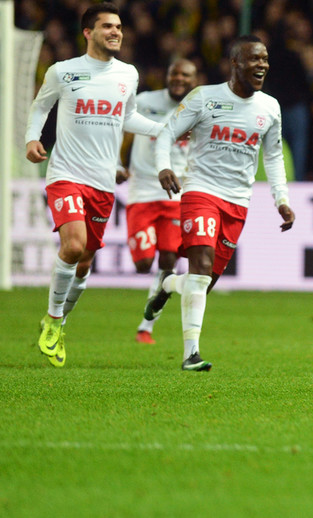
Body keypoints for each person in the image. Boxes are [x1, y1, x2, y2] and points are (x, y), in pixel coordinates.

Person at [145, 35, 296, 371]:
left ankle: (167, 283)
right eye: (254, 59)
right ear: (234, 63)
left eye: (265, 59)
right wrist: (164, 166)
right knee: (200, 268)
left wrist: (281, 199)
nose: (262, 66)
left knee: (203, 282)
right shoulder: (204, 98)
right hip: (200, 191)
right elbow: (167, 133)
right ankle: (191, 355)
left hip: (238, 202)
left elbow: (272, 157)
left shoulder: (270, 107)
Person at [25, 2, 164, 368]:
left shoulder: (128, 74)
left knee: (84, 263)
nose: (116, 32)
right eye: (107, 26)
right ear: (88, 33)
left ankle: (58, 321)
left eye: (118, 26)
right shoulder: (64, 72)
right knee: (73, 246)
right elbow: (41, 107)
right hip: (66, 174)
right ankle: (54, 321)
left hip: (103, 181)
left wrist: (164, 128)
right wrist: (31, 139)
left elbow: (128, 116)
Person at [117, 59, 198, 345]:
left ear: (194, 79)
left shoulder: (199, 109)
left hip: (175, 195)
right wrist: (119, 164)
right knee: (142, 263)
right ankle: (156, 296)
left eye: (185, 75)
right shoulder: (145, 100)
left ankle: (146, 326)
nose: (178, 78)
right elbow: (125, 136)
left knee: (168, 259)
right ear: (167, 76)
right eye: (174, 72)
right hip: (141, 190)